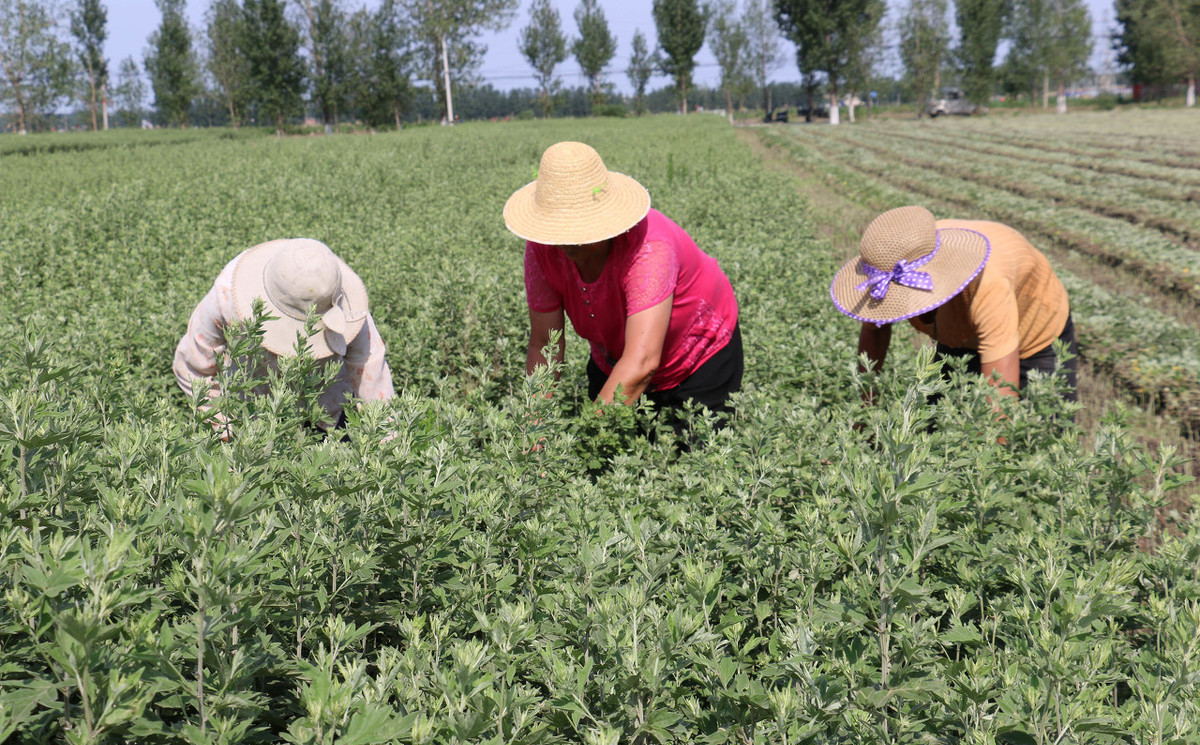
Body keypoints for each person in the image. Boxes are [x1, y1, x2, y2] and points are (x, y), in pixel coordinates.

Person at [504, 141, 742, 422]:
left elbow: (642, 362)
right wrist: (532, 431)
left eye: (577, 226)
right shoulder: (542, 250)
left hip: (698, 357)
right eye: (558, 227)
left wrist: (585, 441)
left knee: (694, 457)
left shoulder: (649, 247)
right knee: (614, 458)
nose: (567, 239)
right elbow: (545, 344)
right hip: (617, 357)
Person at [830, 206, 1076, 401]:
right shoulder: (890, 261)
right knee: (937, 429)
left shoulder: (989, 285)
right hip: (957, 332)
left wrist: (990, 458)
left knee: (1032, 437)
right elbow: (873, 334)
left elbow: (1001, 401)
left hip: (1033, 337)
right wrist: (865, 408)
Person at [174, 238, 395, 436]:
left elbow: (372, 378)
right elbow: (193, 367)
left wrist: (389, 452)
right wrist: (223, 427)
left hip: (325, 407)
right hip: (250, 409)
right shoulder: (227, 295)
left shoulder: (350, 309)